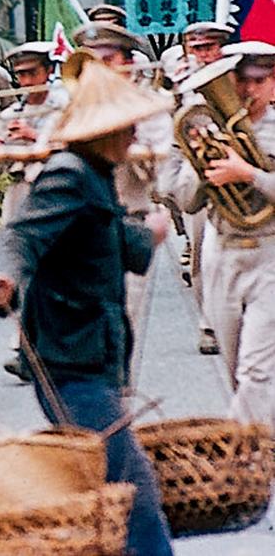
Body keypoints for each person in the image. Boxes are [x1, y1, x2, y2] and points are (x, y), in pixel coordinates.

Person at [0, 58, 175, 556]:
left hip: (95, 354)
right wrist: (6, 278)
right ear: (104, 130)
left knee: (111, 495)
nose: (134, 134)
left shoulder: (98, 174)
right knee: (133, 496)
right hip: (70, 361)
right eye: (126, 126)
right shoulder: (68, 175)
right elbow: (20, 236)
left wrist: (146, 233)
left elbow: (107, 242)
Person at [173, 42, 275, 433]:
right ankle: (261, 439)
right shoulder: (209, 129)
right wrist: (201, 164)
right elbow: (185, 201)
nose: (248, 91)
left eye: (258, 81)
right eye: (240, 82)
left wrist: (247, 173)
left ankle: (236, 450)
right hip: (224, 252)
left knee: (256, 369)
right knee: (236, 368)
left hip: (269, 252)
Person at [71, 22, 173, 358]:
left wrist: (128, 133)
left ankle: (116, 388)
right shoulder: (75, 104)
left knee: (121, 313)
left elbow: (161, 168)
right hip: (81, 223)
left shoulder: (152, 103)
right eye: (92, 62)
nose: (100, 70)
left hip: (130, 219)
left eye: (108, 59)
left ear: (128, 62)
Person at [0, 42, 68, 382]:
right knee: (18, 269)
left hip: (56, 192)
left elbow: (71, 148)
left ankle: (37, 348)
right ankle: (25, 347)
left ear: (48, 72)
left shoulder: (64, 107)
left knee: (53, 273)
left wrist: (35, 136)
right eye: (19, 74)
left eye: (31, 73)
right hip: (20, 191)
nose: (25, 81)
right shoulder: (10, 114)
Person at [163, 22, 232, 355]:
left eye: (208, 47)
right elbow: (171, 137)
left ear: (221, 48)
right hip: (199, 173)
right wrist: (170, 185)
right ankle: (209, 324)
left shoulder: (239, 76)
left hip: (238, 169)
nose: (202, 54)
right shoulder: (181, 85)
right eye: (196, 48)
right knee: (202, 252)